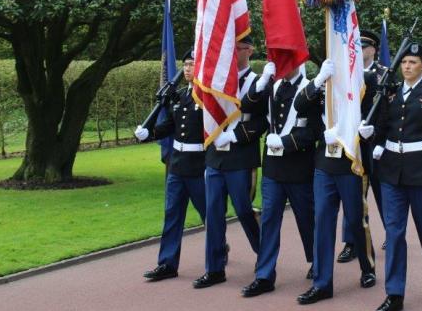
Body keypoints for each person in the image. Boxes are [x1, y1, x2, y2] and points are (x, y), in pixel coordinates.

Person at [366, 42, 422, 311]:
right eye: (404, 62)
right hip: (392, 172)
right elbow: (384, 126)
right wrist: (374, 137)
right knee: (394, 232)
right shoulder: (390, 94)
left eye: (413, 62)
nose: (407, 66)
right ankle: (395, 294)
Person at [295, 60, 377, 305]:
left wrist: (364, 133)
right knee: (322, 221)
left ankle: (367, 266)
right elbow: (299, 106)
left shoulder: (363, 82)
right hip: (324, 163)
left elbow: (376, 115)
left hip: (352, 161)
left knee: (354, 219)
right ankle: (322, 283)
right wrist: (319, 79)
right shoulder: (321, 85)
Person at [192, 35, 263, 289]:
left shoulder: (258, 82)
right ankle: (214, 268)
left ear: (250, 50)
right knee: (213, 213)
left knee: (244, 210)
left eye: (238, 48)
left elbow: (263, 121)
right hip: (215, 156)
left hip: (241, 156)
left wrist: (235, 135)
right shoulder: (218, 81)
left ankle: (264, 256)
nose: (232, 53)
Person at [241, 62, 317, 297]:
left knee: (306, 219)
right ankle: (264, 276)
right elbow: (247, 108)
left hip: (298, 167)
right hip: (273, 169)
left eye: (287, 58)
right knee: (269, 220)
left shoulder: (309, 89)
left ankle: (317, 262)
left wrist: (285, 142)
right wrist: (260, 84)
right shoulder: (272, 87)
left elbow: (314, 130)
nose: (283, 63)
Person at [134, 53, 206, 282]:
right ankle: (167, 263)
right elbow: (169, 126)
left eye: (191, 64)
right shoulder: (181, 96)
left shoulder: (207, 97)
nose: (187, 68)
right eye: (185, 64)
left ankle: (217, 252)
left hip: (198, 166)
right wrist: (149, 133)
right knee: (172, 215)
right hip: (177, 165)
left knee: (209, 215)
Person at [338, 30, 388, 263]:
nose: (360, 50)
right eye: (357, 46)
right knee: (352, 196)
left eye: (364, 46)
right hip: (354, 144)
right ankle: (351, 242)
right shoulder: (348, 75)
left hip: (376, 146)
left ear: (373, 50)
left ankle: (392, 232)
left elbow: (391, 112)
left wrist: (380, 137)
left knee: (384, 194)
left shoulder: (384, 75)